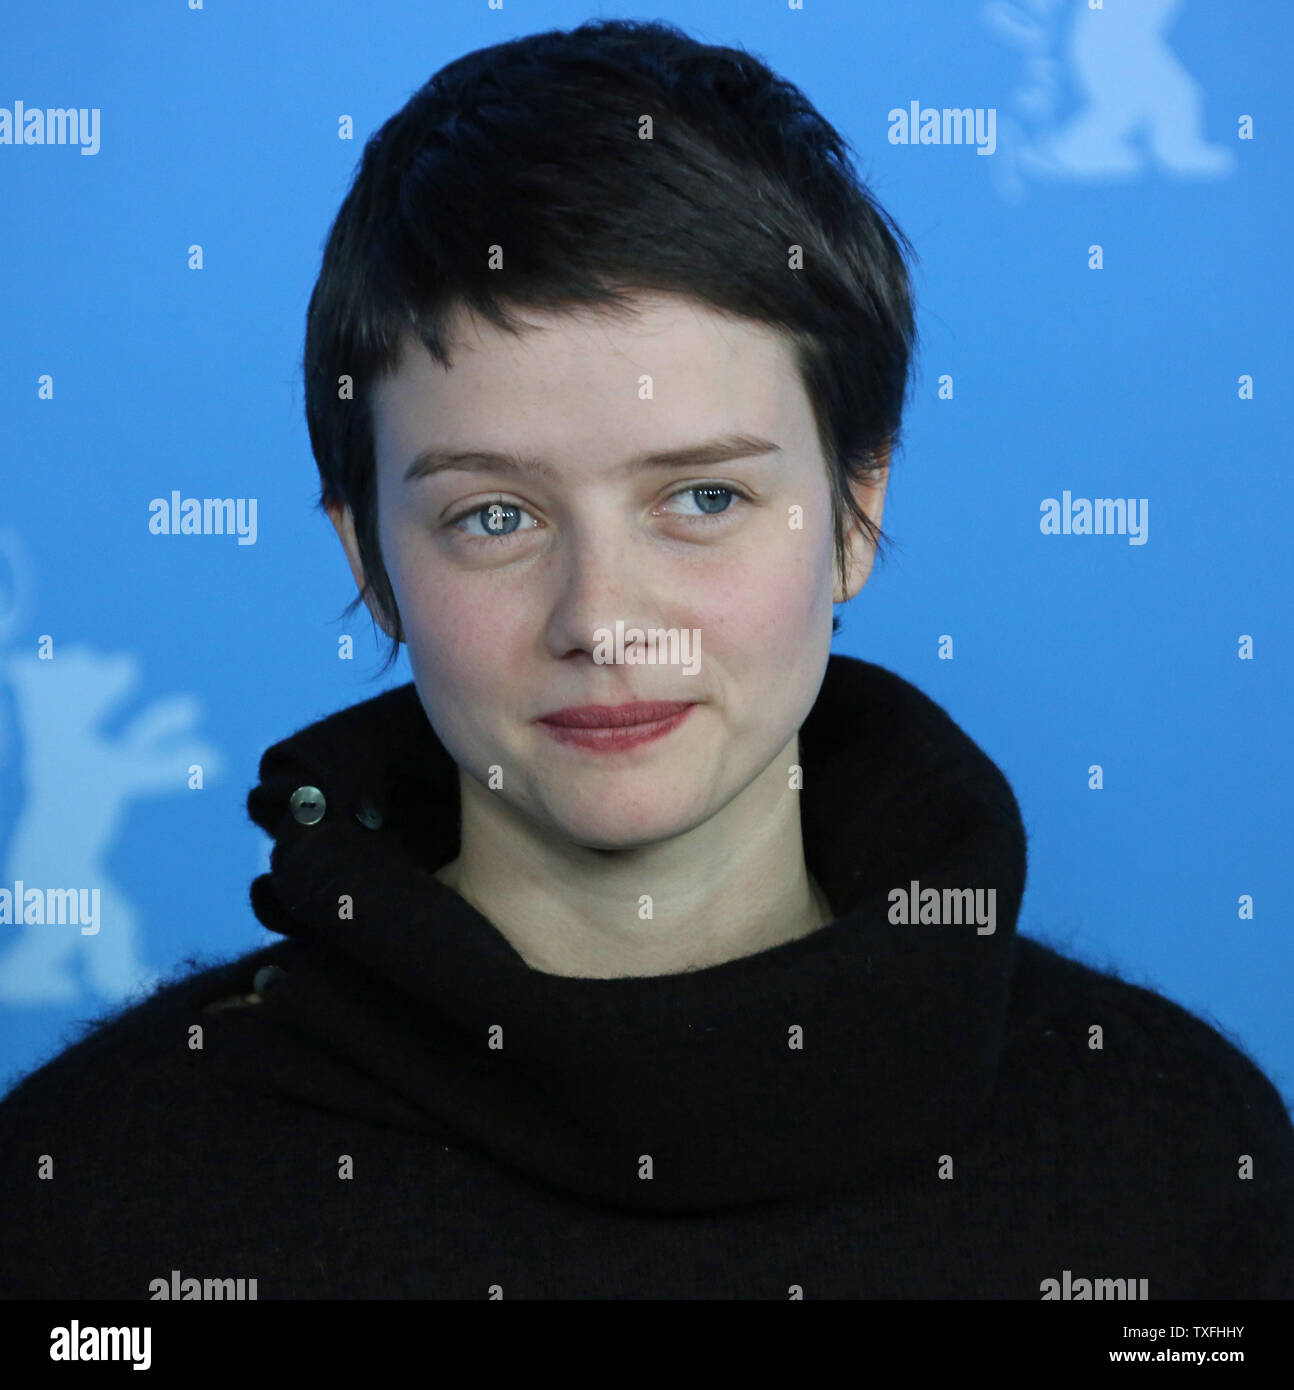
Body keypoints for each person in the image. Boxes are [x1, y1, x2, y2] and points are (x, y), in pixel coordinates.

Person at [1, 17, 1291, 1300]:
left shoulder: (1176, 1165)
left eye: (705, 500)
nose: (605, 621)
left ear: (855, 515)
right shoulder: (92, 1202)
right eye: (493, 516)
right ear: (371, 564)